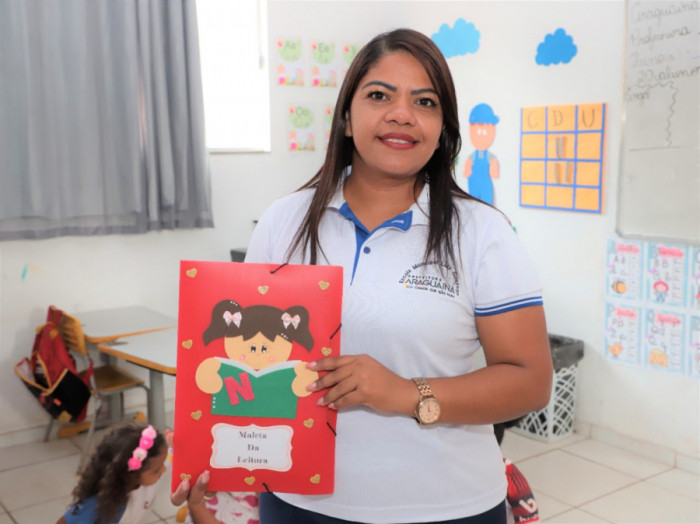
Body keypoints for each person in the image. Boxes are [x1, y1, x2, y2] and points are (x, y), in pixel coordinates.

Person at [173, 27, 552, 524]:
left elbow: (530, 381)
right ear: (347, 118)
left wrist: (403, 393)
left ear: (442, 129)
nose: (402, 114)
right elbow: (240, 356)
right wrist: (208, 455)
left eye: (425, 101)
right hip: (296, 502)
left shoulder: (482, 232)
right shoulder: (283, 221)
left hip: (447, 505)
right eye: (379, 95)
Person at [57, 422, 168, 524]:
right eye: (156, 470)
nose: (164, 470)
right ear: (131, 474)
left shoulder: (142, 477)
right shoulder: (96, 507)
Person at [462, 103, 500, 205]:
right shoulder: (472, 157)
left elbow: (495, 174)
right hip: (474, 187)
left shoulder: (490, 157)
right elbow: (466, 172)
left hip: (485, 187)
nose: (481, 134)